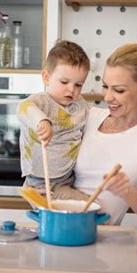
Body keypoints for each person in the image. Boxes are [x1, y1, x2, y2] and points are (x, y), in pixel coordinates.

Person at [73, 43, 137, 225]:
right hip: (62, 226)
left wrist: (127, 191)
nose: (107, 97)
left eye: (118, 90)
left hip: (102, 241)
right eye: (105, 86)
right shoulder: (91, 117)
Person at [17, 40, 92, 200]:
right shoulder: (41, 102)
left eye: (79, 84)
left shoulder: (81, 105)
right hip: (41, 183)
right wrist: (41, 121)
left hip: (68, 178)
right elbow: (23, 108)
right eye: (64, 82)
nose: (72, 89)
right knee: (89, 206)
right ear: (46, 77)